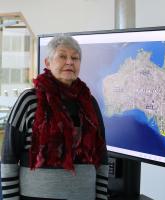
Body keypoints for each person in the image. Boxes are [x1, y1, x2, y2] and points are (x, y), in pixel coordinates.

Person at [1, 34, 109, 200]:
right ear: (47, 62)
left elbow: (101, 157)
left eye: (75, 58)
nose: (69, 62)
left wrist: (102, 197)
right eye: (62, 56)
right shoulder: (29, 100)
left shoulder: (90, 103)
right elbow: (9, 157)